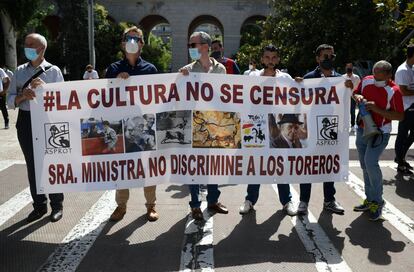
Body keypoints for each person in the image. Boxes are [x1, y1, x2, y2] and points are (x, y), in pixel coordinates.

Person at [7, 33, 64, 223]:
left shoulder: (54, 71)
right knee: (33, 165)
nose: (27, 47)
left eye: (31, 44)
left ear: (42, 49)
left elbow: (63, 100)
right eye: (26, 44)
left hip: (48, 120)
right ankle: (39, 205)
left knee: (52, 163)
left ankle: (57, 205)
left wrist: (45, 89)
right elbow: (9, 100)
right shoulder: (19, 71)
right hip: (26, 120)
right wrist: (23, 95)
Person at [105, 26, 159, 222]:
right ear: (122, 43)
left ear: (143, 44)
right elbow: (104, 98)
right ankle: (121, 206)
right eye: (129, 38)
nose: (133, 42)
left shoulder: (150, 69)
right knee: (121, 169)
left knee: (148, 168)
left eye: (137, 39)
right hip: (121, 127)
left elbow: (158, 98)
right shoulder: (113, 69)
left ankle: (151, 205)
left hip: (144, 126)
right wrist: (116, 83)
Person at [239, 45, 297, 216]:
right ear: (262, 59)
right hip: (257, 127)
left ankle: (286, 201)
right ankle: (250, 200)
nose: (270, 61)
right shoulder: (252, 76)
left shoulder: (286, 78)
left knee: (280, 166)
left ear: (278, 59)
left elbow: (298, 95)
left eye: (273, 57)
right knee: (256, 167)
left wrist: (302, 84)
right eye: (267, 57)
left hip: (278, 128)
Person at [179, 31, 228, 221]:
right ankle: (195, 204)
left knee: (214, 165)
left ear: (205, 47)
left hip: (215, 124)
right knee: (195, 167)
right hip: (195, 125)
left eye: (194, 45)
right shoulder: (187, 70)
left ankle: (213, 200)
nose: (190, 49)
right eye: (190, 45)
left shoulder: (221, 70)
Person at [353, 60, 404, 221]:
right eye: (374, 74)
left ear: (389, 75)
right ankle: (369, 199)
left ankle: (377, 201)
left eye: (380, 77)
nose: (375, 79)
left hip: (380, 132)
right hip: (362, 128)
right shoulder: (367, 79)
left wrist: (376, 109)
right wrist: (358, 96)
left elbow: (399, 116)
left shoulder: (394, 91)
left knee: (370, 163)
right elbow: (355, 92)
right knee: (364, 165)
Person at [299, 44, 346, 215]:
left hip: (331, 128)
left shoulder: (341, 80)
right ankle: (303, 201)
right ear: (318, 58)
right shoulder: (308, 78)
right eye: (325, 56)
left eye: (331, 56)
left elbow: (346, 104)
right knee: (308, 166)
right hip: (311, 129)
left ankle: (329, 200)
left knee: (328, 165)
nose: (328, 59)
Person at [394, 44, 414, 175]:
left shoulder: (412, 68)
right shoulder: (402, 70)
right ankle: (400, 162)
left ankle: (400, 157)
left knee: (412, 135)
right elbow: (403, 91)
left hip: (413, 106)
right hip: (406, 108)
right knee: (402, 134)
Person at [342, 62, 361, 133]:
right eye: (347, 67)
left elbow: (359, 86)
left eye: (350, 67)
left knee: (352, 112)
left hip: (353, 97)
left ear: (352, 68)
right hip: (345, 97)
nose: (349, 68)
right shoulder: (342, 77)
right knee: (345, 112)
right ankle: (345, 125)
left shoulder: (356, 77)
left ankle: (353, 125)